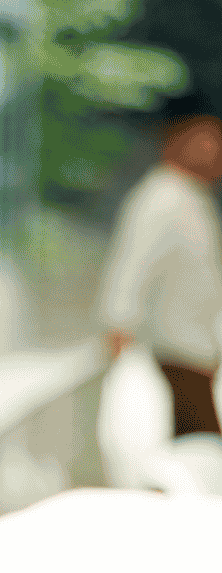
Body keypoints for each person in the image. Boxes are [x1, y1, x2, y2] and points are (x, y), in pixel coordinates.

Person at [98, 92, 222, 439]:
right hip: (171, 361)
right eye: (204, 139)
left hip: (195, 357)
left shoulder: (193, 199)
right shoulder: (161, 198)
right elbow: (130, 269)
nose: (213, 151)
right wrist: (120, 337)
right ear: (175, 140)